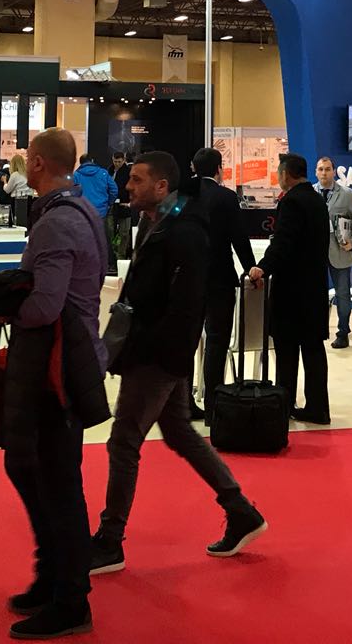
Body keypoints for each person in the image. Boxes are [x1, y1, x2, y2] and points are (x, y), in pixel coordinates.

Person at [89, 151, 267, 577]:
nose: (128, 186)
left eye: (136, 180)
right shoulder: (156, 222)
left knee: (124, 440)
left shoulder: (184, 231)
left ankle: (110, 540)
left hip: (158, 355)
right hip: (155, 350)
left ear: (162, 185)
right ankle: (240, 510)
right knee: (179, 432)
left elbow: (186, 307)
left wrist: (159, 354)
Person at [3, 128, 109, 639]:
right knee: (35, 468)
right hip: (68, 362)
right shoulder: (83, 212)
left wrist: (6, 308)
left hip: (57, 370)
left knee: (55, 480)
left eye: (28, 158)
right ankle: (53, 579)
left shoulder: (56, 222)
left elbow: (45, 306)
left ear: (39, 164)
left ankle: (69, 598)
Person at [248, 154, 331, 425]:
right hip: (315, 286)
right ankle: (318, 407)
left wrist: (262, 268)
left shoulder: (292, 201)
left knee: (286, 349)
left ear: (286, 174)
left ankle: (284, 404)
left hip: (292, 290)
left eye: (278, 172)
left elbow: (283, 243)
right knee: (313, 349)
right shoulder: (317, 200)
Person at [190, 147, 256, 421]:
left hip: (188, 279)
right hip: (219, 279)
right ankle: (213, 407)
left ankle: (184, 403)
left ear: (194, 168)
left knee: (188, 342)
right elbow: (238, 237)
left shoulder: (181, 196)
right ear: (219, 169)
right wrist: (251, 267)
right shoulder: (226, 197)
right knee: (217, 342)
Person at [315, 156, 352, 349]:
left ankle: (343, 333)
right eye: (321, 169)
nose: (324, 173)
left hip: (340, 251)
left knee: (342, 295)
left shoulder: (347, 194)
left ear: (334, 172)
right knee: (315, 294)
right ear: (316, 172)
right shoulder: (310, 193)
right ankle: (316, 331)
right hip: (315, 253)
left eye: (327, 169)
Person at [73, 153, 118, 220]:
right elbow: (114, 190)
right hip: (101, 211)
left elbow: (72, 193)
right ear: (92, 160)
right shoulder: (103, 173)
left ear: (80, 163)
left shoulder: (76, 175)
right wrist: (109, 203)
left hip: (82, 212)